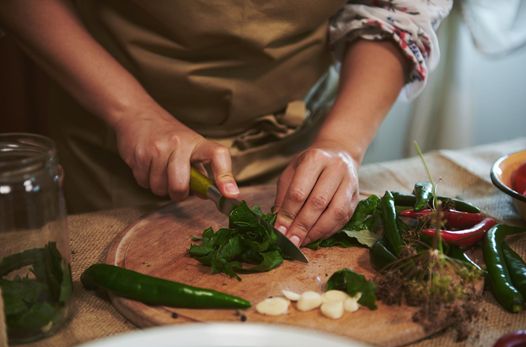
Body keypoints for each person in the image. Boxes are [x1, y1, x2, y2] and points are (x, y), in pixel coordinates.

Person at [0, 0, 452, 247]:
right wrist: (130, 111)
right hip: (105, 136)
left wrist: (341, 143)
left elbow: (394, 10)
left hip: (294, 135)